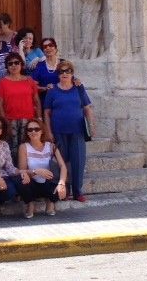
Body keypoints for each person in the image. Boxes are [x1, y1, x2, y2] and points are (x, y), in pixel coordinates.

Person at [44, 60, 95, 202]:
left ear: (72, 73)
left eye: (68, 71)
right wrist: (48, 131)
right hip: (59, 131)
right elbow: (47, 113)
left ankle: (78, 191)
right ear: (58, 74)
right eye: (61, 72)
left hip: (77, 131)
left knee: (78, 161)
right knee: (63, 161)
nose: (64, 74)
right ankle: (64, 190)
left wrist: (92, 126)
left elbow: (87, 108)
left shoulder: (79, 88)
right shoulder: (52, 90)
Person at [17, 118, 67, 218]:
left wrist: (62, 183)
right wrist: (36, 171)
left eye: (36, 129)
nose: (33, 132)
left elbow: (63, 166)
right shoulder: (24, 147)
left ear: (42, 131)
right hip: (33, 183)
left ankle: (51, 201)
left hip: (49, 182)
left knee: (62, 184)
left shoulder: (51, 146)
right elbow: (21, 170)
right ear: (27, 133)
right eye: (30, 130)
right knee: (20, 180)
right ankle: (30, 204)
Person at [0, 52, 42, 162]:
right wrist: (3, 120)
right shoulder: (3, 82)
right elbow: (0, 104)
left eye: (16, 62)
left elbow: (36, 101)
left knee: (27, 147)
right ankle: (15, 173)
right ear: (7, 66)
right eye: (10, 63)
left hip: (28, 120)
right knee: (12, 148)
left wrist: (39, 119)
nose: (13, 65)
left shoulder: (29, 81)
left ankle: (26, 172)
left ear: (21, 64)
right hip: (10, 120)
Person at [30, 37, 62, 106]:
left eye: (50, 45)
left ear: (56, 48)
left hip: (62, 102)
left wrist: (76, 80)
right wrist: (44, 88)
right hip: (46, 103)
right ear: (43, 51)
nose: (48, 48)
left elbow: (71, 79)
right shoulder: (39, 66)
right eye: (45, 47)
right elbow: (33, 86)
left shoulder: (63, 63)